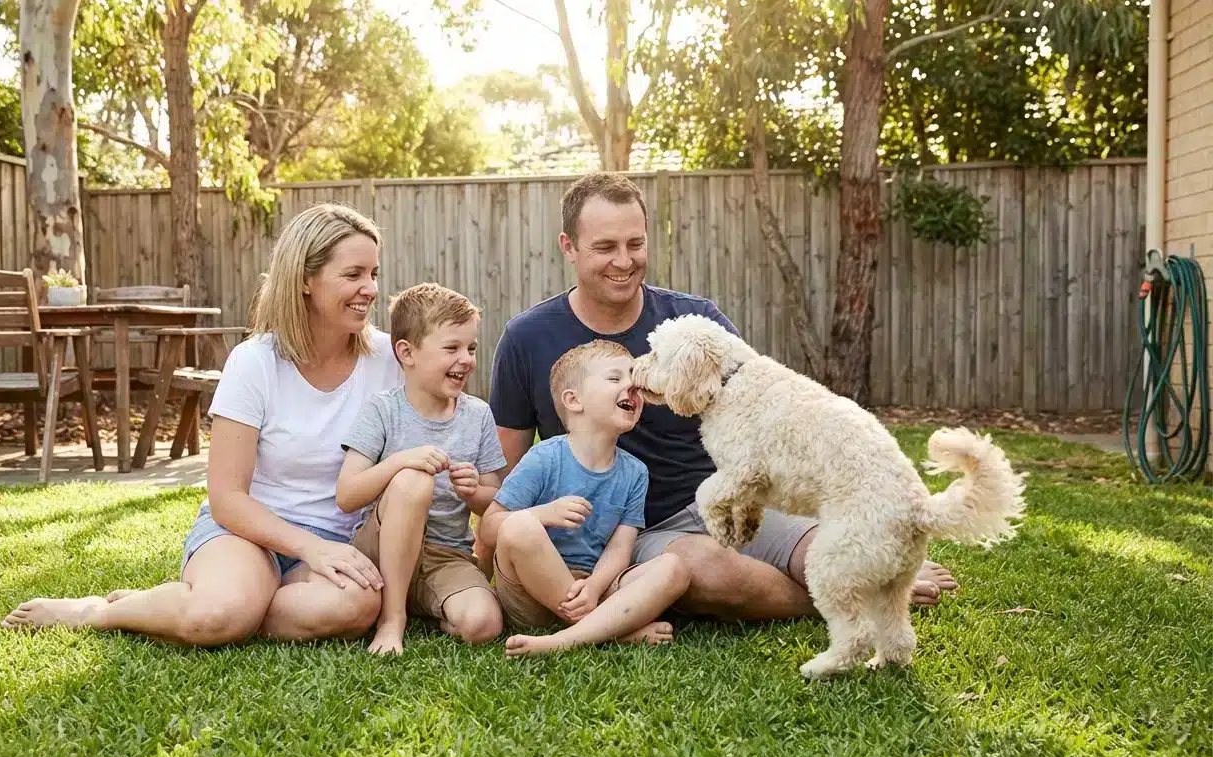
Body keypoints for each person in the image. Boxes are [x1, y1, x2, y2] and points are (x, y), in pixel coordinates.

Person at [481, 172, 958, 624]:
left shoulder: (694, 323)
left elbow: (765, 405)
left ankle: (854, 579)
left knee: (822, 547)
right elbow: (508, 472)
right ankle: (853, 597)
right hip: (632, 532)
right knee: (708, 569)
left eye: (635, 243)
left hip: (726, 497)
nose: (624, 261)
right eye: (605, 247)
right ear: (569, 247)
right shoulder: (528, 338)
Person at [1, 203, 402, 645]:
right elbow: (227, 497)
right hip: (248, 534)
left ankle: (229, 605)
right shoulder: (255, 362)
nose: (370, 289)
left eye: (374, 274)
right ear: (305, 280)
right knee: (215, 617)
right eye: (353, 275)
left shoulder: (389, 359)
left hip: (337, 538)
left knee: (358, 605)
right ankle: (102, 611)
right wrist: (309, 547)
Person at [486, 340, 688, 657]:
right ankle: (607, 630)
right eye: (615, 378)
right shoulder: (545, 457)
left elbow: (620, 550)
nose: (632, 386)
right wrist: (543, 514)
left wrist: (594, 587)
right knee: (518, 526)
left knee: (675, 567)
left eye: (634, 378)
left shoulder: (635, 473)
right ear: (574, 400)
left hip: (592, 589)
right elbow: (489, 526)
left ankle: (571, 637)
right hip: (531, 595)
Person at [337, 283, 507, 655]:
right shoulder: (382, 410)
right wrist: (400, 461)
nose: (466, 359)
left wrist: (474, 490)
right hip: (379, 552)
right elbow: (346, 495)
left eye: (471, 348)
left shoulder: (478, 415)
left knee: (484, 624)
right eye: (452, 348)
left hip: (447, 556)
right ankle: (392, 618)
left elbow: (494, 504)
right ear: (407, 352)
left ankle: (430, 605)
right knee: (413, 480)